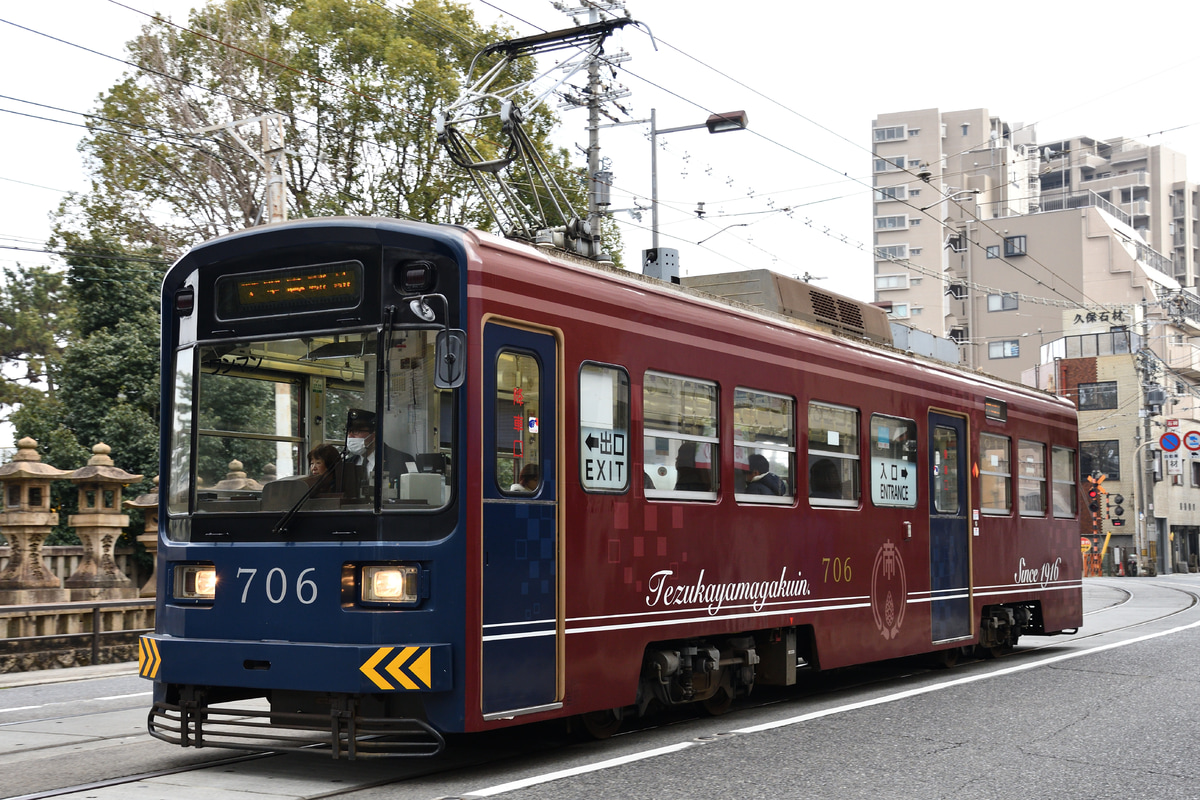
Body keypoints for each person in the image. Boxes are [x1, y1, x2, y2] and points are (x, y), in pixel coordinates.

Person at [345, 408, 415, 490]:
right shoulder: (346, 464)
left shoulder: (403, 460)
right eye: (348, 431)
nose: (350, 436)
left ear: (374, 434)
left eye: (356, 431)